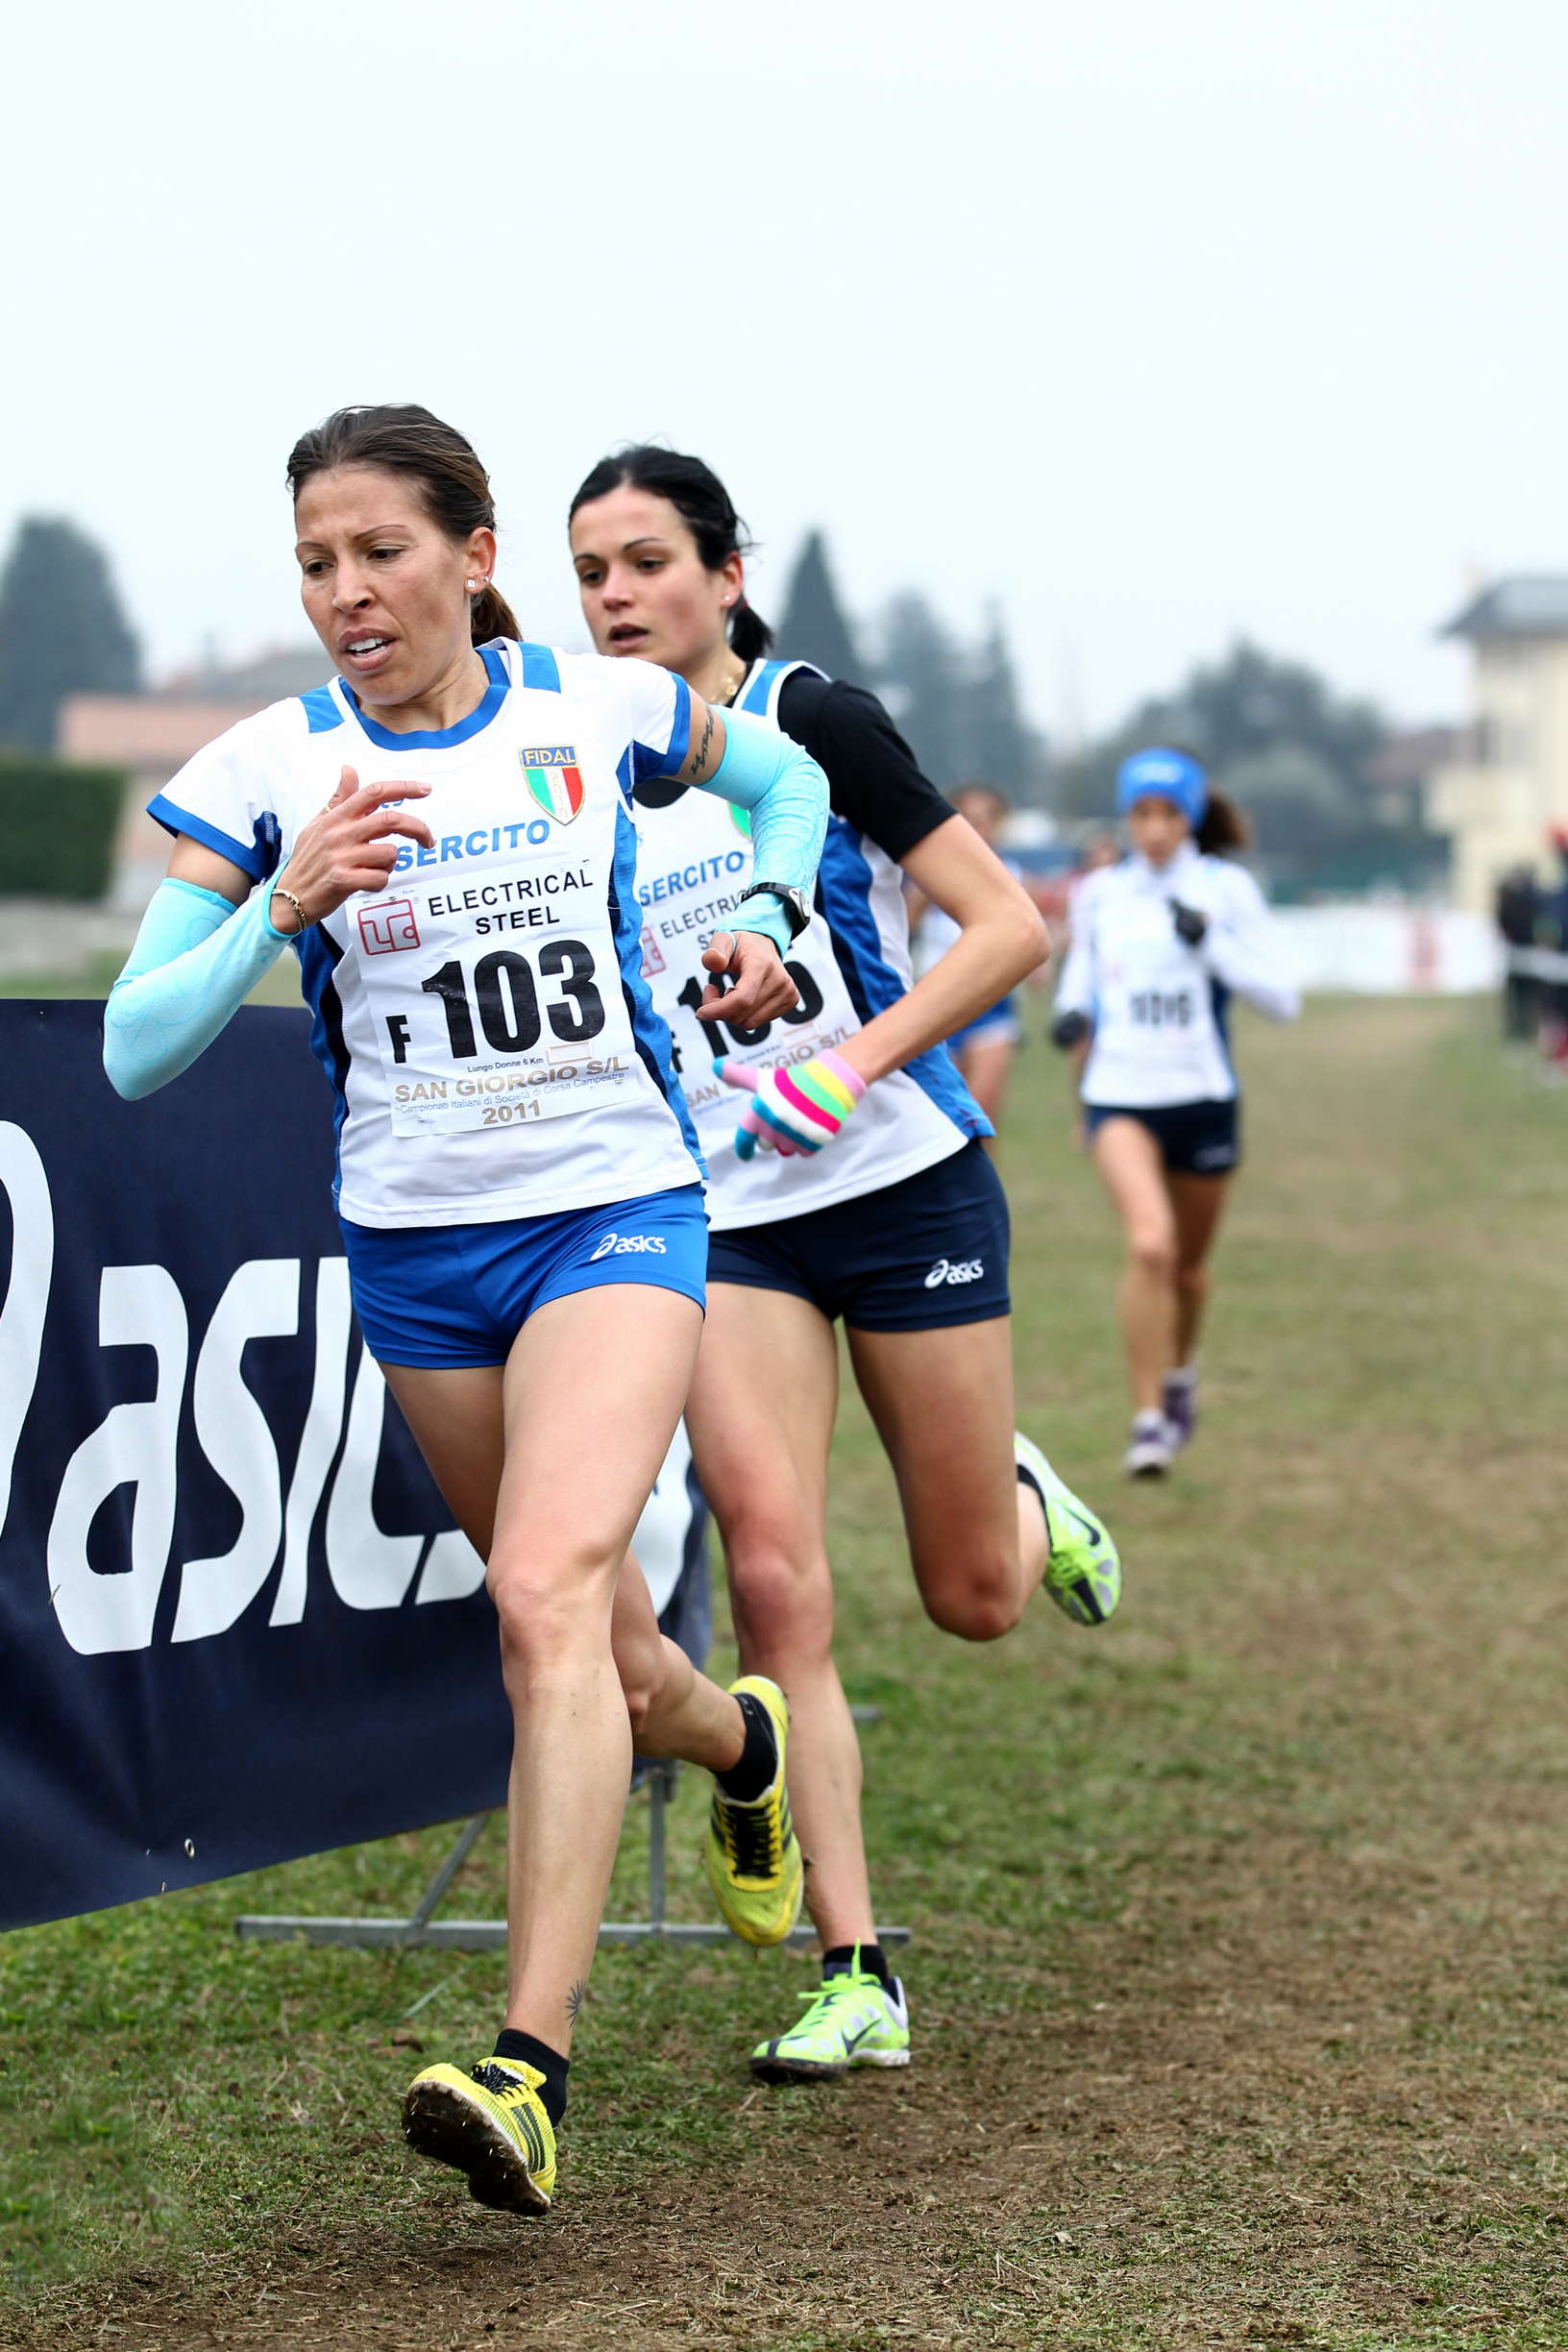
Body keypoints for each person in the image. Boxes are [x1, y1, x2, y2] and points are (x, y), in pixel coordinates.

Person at [101, 404, 834, 2218]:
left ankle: (528, 2065)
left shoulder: (592, 710)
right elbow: (132, 1046)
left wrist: (765, 911)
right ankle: (738, 1742)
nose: (346, 591)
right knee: (614, 1656)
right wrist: (278, 906)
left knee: (539, 1599)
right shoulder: (271, 766)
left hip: (612, 1214)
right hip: (420, 1257)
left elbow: (785, 786)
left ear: (472, 556)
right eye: (316, 563)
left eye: (381, 552)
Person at [568, 446, 1122, 2086]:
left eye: (648, 561)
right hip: (729, 1222)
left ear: (725, 576)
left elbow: (1010, 927)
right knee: (773, 1577)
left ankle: (1020, 1496)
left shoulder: (815, 720)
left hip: (904, 1184)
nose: (616, 597)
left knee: (970, 1599)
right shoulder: (586, 759)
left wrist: (852, 1062)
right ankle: (854, 1968)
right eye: (590, 571)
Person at [1050, 748, 1300, 1477]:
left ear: (1190, 818)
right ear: (1125, 817)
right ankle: (1149, 1419)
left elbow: (1285, 1001)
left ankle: (1180, 1372)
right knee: (1150, 1246)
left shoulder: (1226, 889)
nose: (1154, 829)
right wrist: (1071, 1012)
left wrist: (1210, 944)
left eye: (1168, 814)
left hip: (1202, 1098)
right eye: (1141, 814)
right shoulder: (1101, 891)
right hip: (1119, 1096)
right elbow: (1083, 971)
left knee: (1188, 1270)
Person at [910, 783, 1039, 1141]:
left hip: (991, 1007)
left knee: (980, 1120)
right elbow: (903, 927)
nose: (977, 829)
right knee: (944, 1124)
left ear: (999, 826)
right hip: (938, 1004)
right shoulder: (930, 873)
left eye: (985, 820)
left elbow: (1032, 935)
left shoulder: (1014, 878)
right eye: (967, 819)